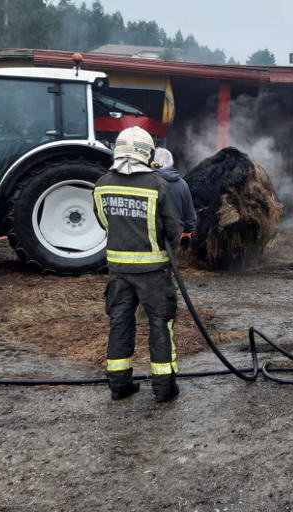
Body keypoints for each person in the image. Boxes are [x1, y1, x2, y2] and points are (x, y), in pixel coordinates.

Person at [93, 126, 182, 402]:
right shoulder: (158, 185)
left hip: (118, 271)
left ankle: (119, 384)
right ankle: (164, 388)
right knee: (160, 322)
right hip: (153, 272)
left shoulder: (102, 184)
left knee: (119, 322)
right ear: (147, 153)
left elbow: (103, 222)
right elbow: (174, 229)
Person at [152, 147, 197, 249]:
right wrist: (186, 235)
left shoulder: (148, 182)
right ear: (171, 163)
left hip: (152, 241)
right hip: (175, 242)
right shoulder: (183, 184)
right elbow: (190, 219)